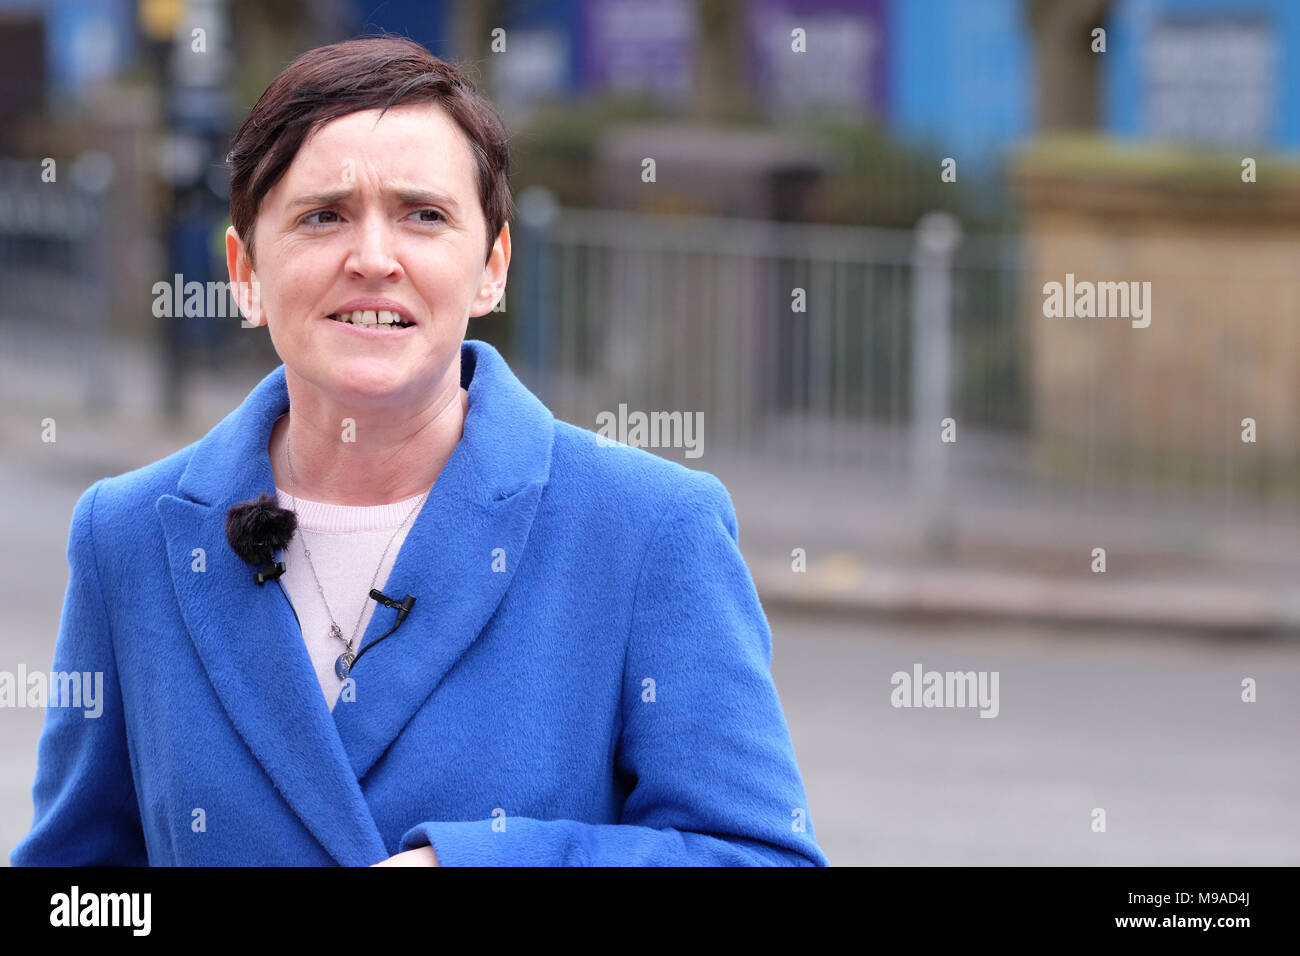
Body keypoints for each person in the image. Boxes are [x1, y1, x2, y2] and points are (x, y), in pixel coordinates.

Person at [10, 35, 827, 866]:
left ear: (492, 268)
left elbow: (761, 856)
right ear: (245, 272)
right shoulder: (127, 537)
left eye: (424, 215)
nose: (373, 259)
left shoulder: (650, 528)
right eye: (323, 215)